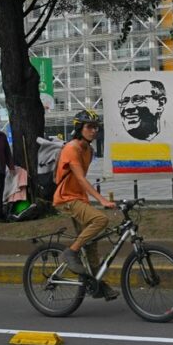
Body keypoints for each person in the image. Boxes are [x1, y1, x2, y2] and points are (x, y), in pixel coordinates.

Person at [53, 109, 119, 301]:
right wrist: (102, 200)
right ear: (79, 128)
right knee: (100, 219)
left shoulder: (89, 151)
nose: (93, 131)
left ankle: (97, 284)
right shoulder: (71, 148)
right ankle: (70, 253)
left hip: (79, 198)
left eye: (96, 127)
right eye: (89, 127)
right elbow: (80, 179)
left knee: (91, 244)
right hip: (66, 198)